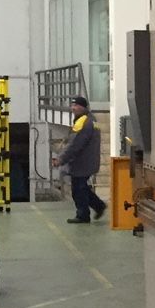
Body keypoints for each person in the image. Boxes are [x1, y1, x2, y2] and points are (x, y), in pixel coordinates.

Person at [55, 95, 106, 223]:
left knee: (78, 190)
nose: (73, 108)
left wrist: (61, 159)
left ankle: (83, 215)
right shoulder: (91, 120)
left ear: (83, 107)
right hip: (88, 160)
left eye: (76, 105)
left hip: (82, 162)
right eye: (72, 105)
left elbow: (75, 144)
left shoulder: (84, 121)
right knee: (82, 187)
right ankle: (99, 206)